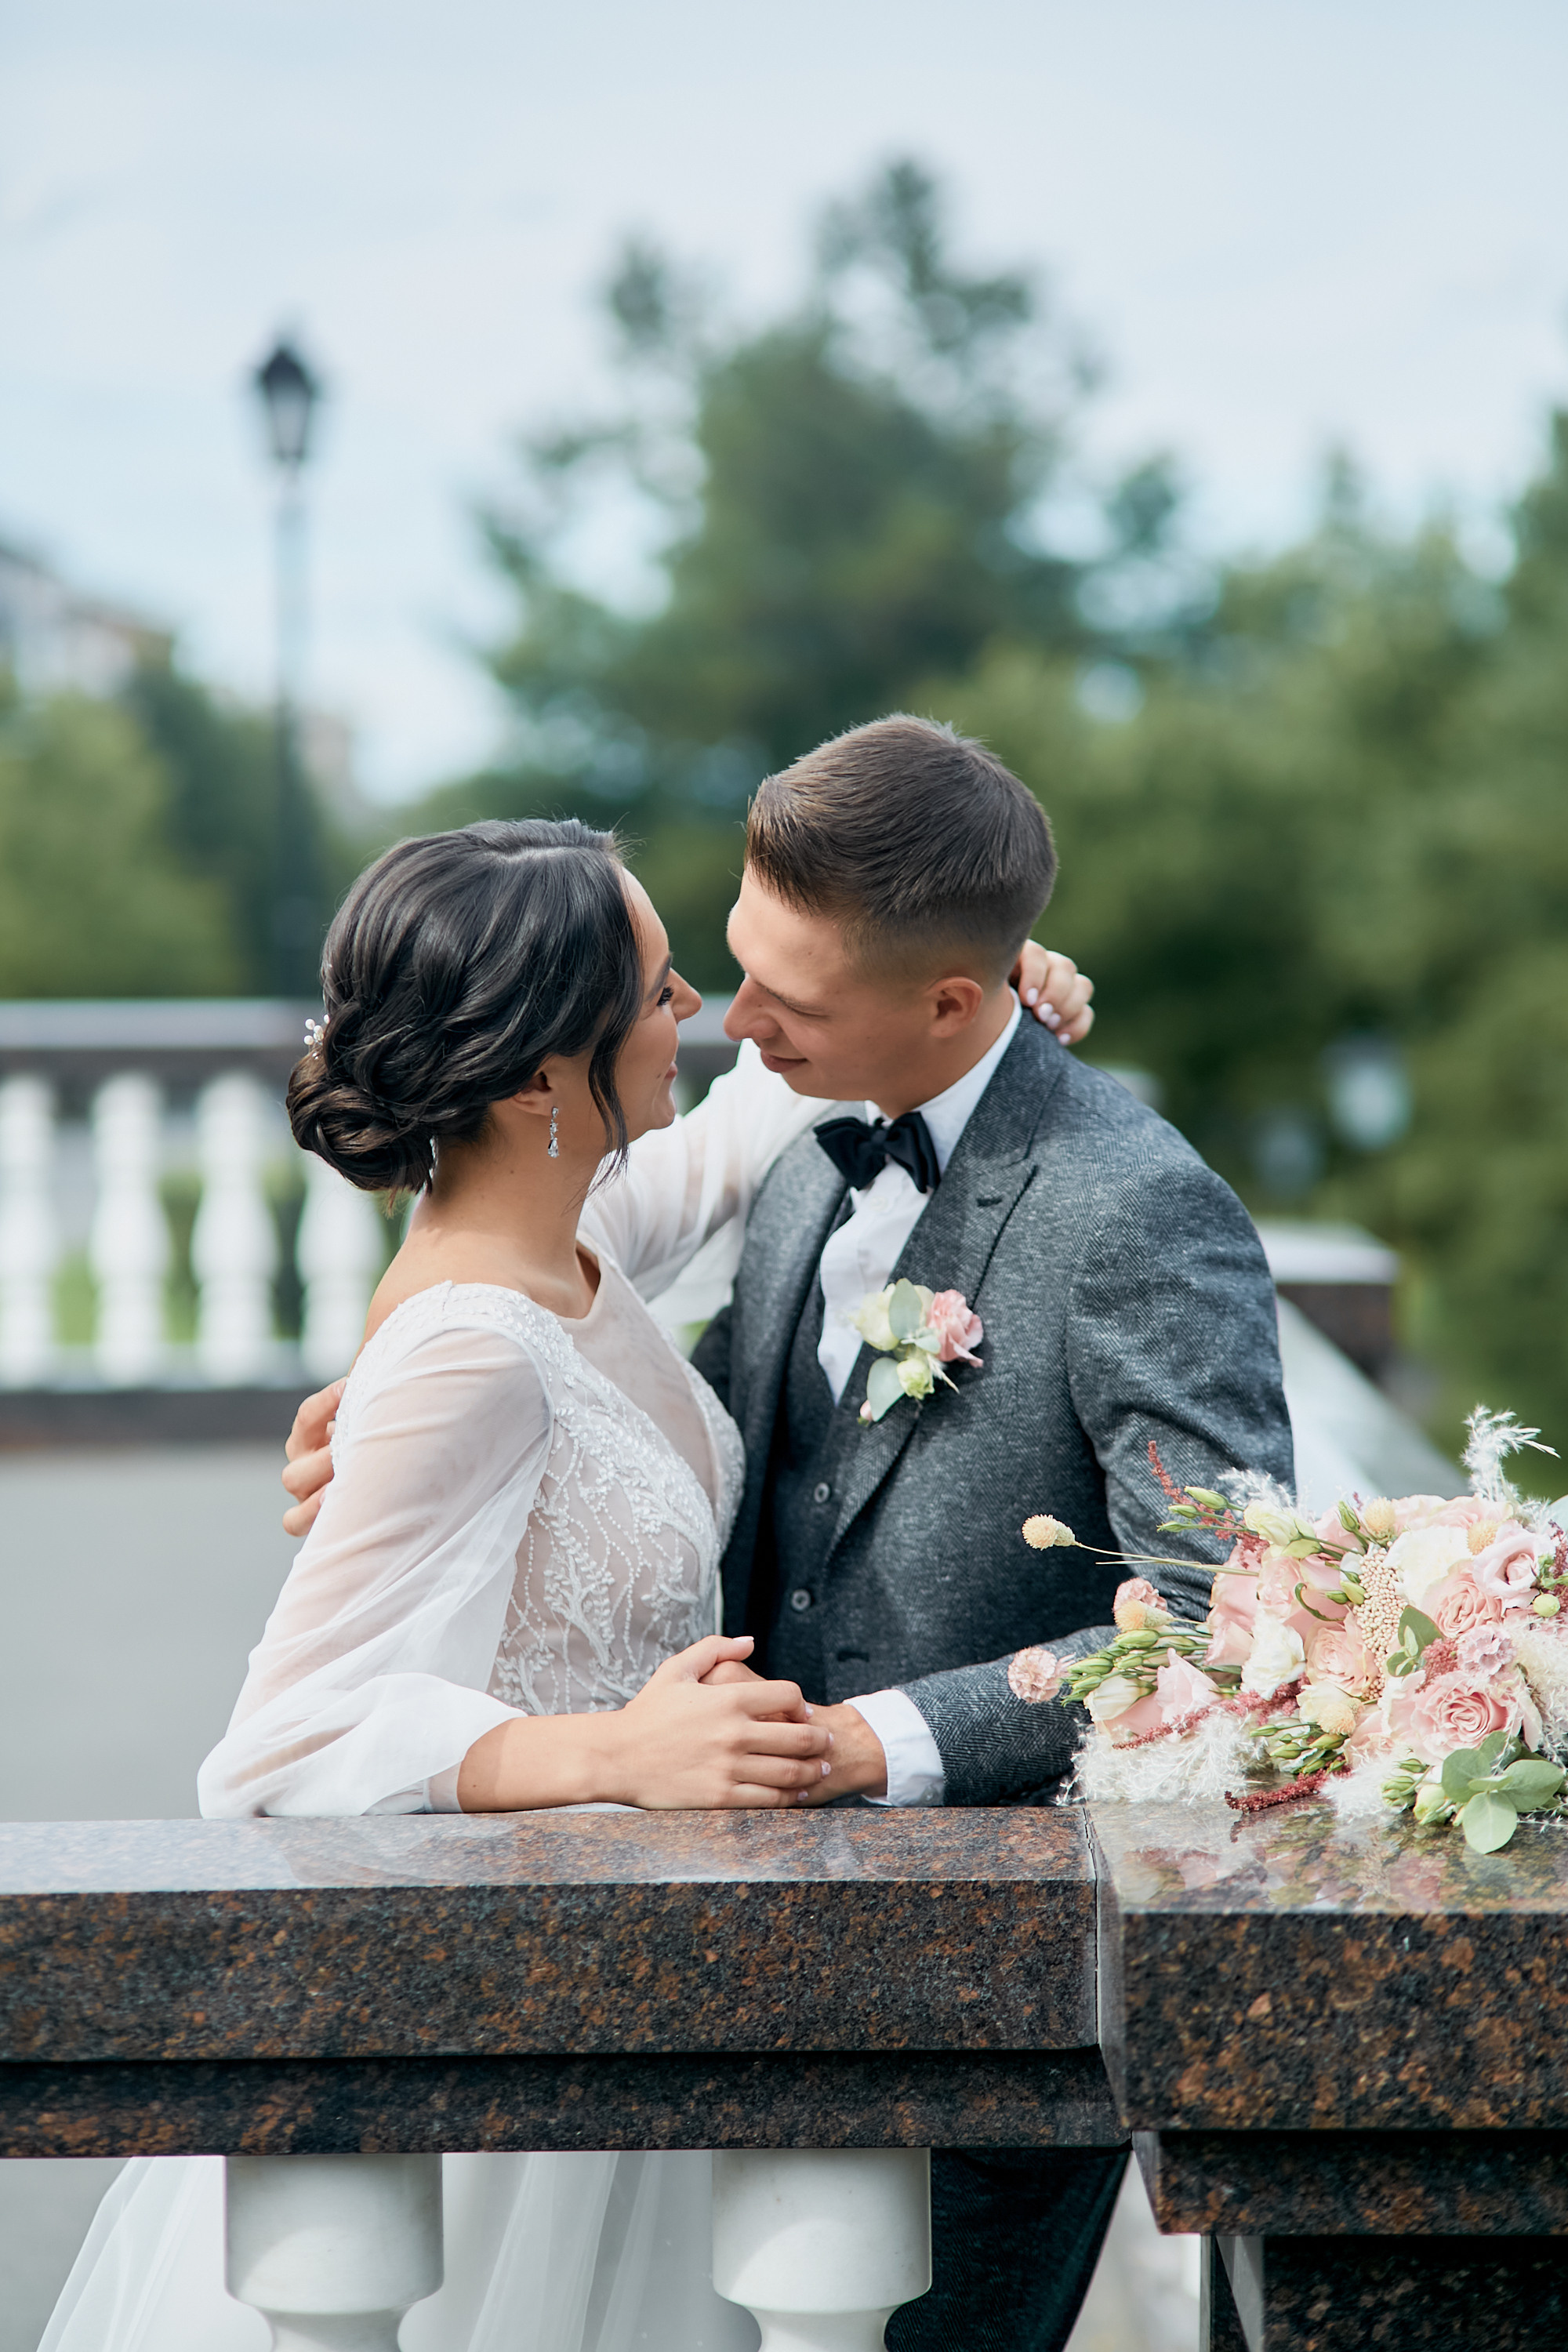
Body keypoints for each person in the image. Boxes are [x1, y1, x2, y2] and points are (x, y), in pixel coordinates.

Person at [278, 715, 1294, 2352]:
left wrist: (875, 1746)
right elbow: (590, 1368)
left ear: (950, 1003)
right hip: (670, 1989)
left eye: (784, 998)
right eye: (714, 974)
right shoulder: (800, 1124)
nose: (734, 1027)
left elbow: (1229, 1616)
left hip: (975, 2006)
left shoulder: (1133, 1209)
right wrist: (402, 1415)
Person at [41, 800, 1091, 2352]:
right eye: (662, 991)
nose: (702, 1020)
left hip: (635, 1975)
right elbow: (273, 1753)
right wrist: (617, 1753)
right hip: (513, 2051)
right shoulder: (471, 1351)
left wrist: (988, 995)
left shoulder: (575, 1229)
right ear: (543, 1077)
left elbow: (750, 1124)